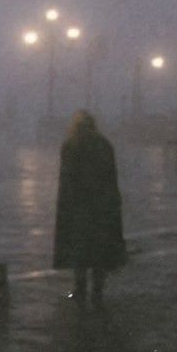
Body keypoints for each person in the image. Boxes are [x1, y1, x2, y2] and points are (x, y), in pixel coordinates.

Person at [53, 109, 126, 305]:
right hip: (101, 206)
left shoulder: (71, 145)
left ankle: (79, 288)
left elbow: (67, 179)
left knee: (80, 250)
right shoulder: (104, 145)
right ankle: (98, 290)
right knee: (100, 250)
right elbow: (111, 177)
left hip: (79, 207)